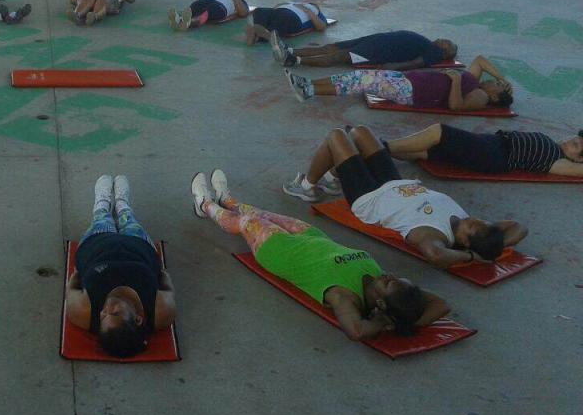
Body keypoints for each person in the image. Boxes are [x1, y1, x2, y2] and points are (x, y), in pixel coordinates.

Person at [190, 169, 449, 340]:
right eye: (396, 278)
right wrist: (409, 322)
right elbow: (442, 305)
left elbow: (357, 331)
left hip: (278, 251)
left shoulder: (344, 296)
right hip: (312, 236)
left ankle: (205, 204)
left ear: (380, 304)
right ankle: (227, 199)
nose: (390, 275)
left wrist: (386, 323)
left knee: (247, 222)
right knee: (261, 213)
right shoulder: (387, 287)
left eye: (390, 283)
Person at [283, 125, 528, 268]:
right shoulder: (477, 229)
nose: (473, 220)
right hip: (396, 183)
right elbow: (519, 227)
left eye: (472, 227)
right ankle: (333, 175)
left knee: (336, 136)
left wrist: (471, 257)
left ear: (464, 242)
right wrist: (494, 248)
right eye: (479, 221)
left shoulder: (434, 235)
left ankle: (306, 187)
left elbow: (435, 255)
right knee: (360, 133)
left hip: (369, 198)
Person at [65, 175, 176, 357]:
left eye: (102, 316)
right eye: (115, 313)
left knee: (101, 218)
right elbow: (167, 282)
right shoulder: (161, 312)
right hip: (138, 244)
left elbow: (71, 285)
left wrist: (80, 272)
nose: (106, 309)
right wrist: (160, 273)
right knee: (128, 219)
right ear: (138, 319)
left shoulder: (82, 312)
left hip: (98, 241)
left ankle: (102, 204)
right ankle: (122, 204)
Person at [286, 54, 514, 111]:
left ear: (495, 96)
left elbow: (456, 106)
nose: (494, 82)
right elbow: (480, 60)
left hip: (413, 92)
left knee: (361, 80)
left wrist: (455, 81)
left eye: (498, 87)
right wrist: (502, 78)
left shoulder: (481, 96)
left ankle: (310, 90)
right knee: (359, 75)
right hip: (410, 81)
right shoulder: (475, 81)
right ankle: (309, 84)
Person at [385, 122, 583, 178]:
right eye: (573, 139)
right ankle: (376, 152)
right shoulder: (553, 146)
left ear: (579, 159)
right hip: (492, 144)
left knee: (439, 132)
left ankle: (383, 147)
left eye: (575, 145)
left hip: (495, 155)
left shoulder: (559, 161)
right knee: (424, 151)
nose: (568, 142)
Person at [271, 30, 457, 69]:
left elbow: (417, 62)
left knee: (338, 56)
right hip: (375, 40)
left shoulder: (435, 52)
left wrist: (393, 67)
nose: (444, 40)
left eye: (447, 44)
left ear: (446, 52)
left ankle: (294, 60)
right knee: (330, 47)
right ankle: (290, 50)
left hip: (379, 51)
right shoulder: (427, 42)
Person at [168, 0, 247, 31]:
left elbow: (243, 13)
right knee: (192, 10)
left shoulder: (238, 0)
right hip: (202, 2)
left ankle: (188, 23)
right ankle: (179, 19)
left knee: (206, 14)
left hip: (219, 6)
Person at [245, 1, 328, 45]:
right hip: (278, 12)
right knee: (259, 11)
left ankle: (261, 34)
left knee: (282, 20)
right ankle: (261, 33)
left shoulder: (316, 12)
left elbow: (322, 26)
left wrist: (309, 11)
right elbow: (277, 6)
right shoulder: (294, 3)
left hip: (293, 16)